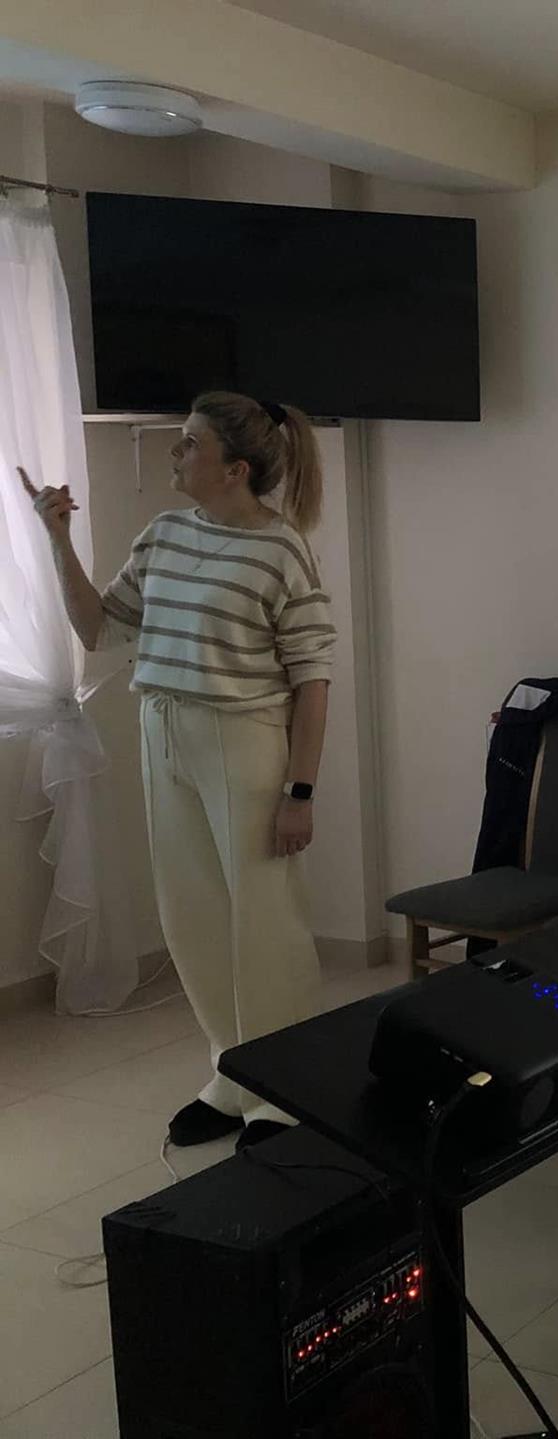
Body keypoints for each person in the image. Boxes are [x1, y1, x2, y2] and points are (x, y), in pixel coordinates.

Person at [19, 393, 332, 1152]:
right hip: (165, 728)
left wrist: (299, 792)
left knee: (262, 919)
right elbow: (99, 629)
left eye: (190, 443)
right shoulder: (163, 534)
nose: (175, 452)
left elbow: (313, 678)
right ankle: (232, 1073)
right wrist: (58, 538)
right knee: (191, 915)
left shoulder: (281, 550)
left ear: (235, 469)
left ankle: (284, 1088)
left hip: (244, 738)